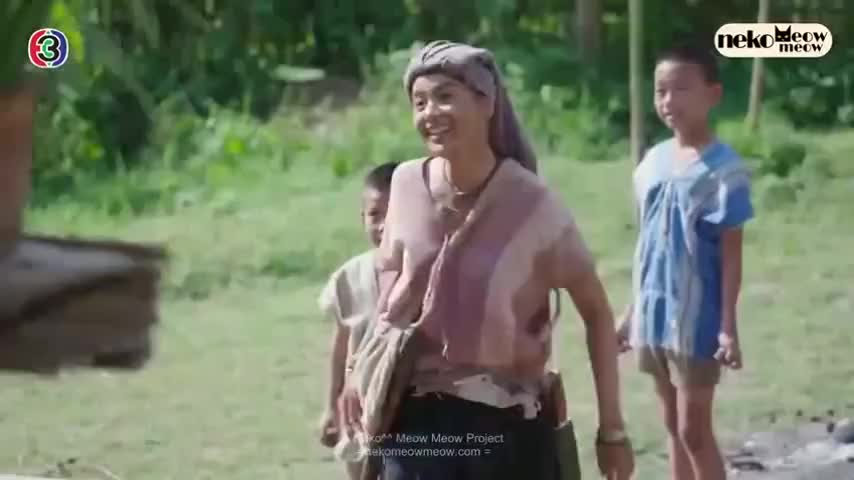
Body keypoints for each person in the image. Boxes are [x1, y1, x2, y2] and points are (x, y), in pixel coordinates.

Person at [338, 40, 635, 480]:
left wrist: (611, 430)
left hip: (505, 431)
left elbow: (595, 311)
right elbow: (387, 293)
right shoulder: (404, 184)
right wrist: (357, 373)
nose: (430, 113)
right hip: (414, 424)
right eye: (419, 102)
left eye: (445, 96)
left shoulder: (534, 206)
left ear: (486, 103)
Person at [617, 44, 754, 480]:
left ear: (712, 95)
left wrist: (727, 326)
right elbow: (648, 246)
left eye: (681, 89)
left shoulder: (725, 171)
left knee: (694, 430)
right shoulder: (651, 163)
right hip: (655, 316)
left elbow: (731, 254)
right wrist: (631, 313)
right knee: (672, 426)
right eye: (661, 90)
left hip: (696, 319)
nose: (669, 100)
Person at [318, 161, 399, 480]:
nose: (383, 225)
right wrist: (330, 407)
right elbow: (341, 346)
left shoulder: (428, 274)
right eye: (375, 215)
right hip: (358, 410)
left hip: (407, 409)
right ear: (362, 218)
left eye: (395, 214)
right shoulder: (350, 277)